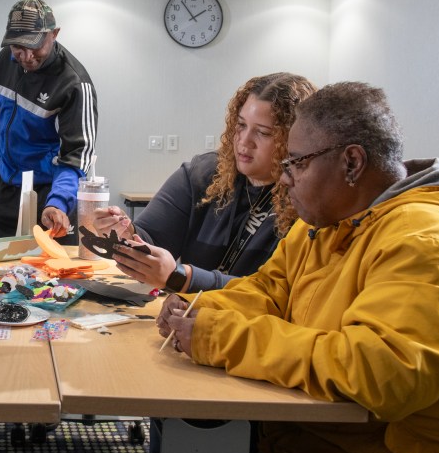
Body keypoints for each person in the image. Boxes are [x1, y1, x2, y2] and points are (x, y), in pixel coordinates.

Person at [157, 82, 439, 453]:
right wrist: (200, 306)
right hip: (299, 436)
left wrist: (220, 337)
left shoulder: (424, 240)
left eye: (296, 162)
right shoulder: (327, 222)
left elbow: (381, 372)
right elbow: (269, 291)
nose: (284, 178)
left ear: (351, 163)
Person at [93, 73, 316, 294]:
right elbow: (151, 239)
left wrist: (182, 277)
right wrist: (125, 232)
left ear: (293, 139)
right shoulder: (204, 173)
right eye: (240, 125)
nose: (245, 141)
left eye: (263, 132)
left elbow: (273, 293)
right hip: (185, 320)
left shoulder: (308, 204)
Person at [0, 0, 98, 245]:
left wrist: (58, 203)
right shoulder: (5, 60)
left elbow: (77, 156)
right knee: (3, 278)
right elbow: (7, 124)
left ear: (53, 34)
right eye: (18, 47)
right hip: (8, 189)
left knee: (55, 280)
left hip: (51, 194)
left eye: (35, 46)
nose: (26, 56)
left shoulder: (74, 84)